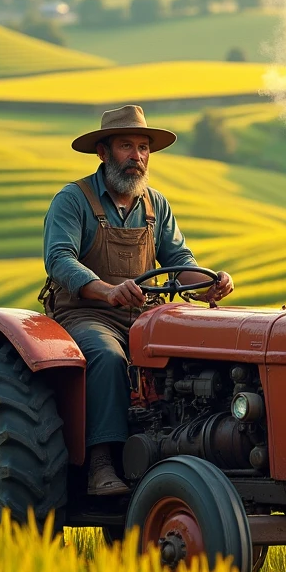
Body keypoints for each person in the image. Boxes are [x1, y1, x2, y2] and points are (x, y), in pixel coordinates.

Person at [42, 105, 234, 496]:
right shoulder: (73, 200)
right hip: (85, 314)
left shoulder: (155, 205)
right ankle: (101, 463)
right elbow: (59, 258)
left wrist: (209, 283)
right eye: (126, 146)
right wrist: (107, 290)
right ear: (103, 152)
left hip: (142, 315)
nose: (137, 156)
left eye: (144, 147)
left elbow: (180, 261)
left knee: (200, 348)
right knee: (108, 354)